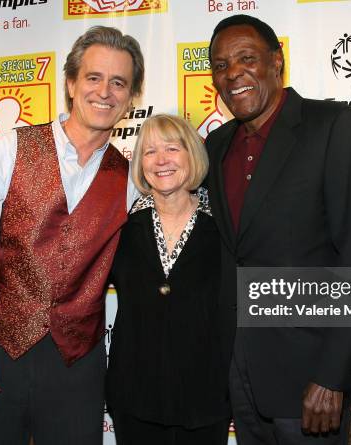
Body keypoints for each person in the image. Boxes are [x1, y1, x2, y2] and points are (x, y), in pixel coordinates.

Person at [0, 26, 144, 445]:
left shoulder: (131, 179)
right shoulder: (9, 148)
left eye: (118, 82)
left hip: (78, 366)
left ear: (130, 98)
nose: (104, 92)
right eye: (93, 77)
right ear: (70, 83)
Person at [205, 15, 351, 445]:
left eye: (246, 58)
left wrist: (331, 376)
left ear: (277, 62)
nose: (233, 74)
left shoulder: (333, 126)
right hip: (239, 377)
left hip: (310, 380)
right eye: (221, 65)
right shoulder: (214, 146)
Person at [106, 114, 230, 445]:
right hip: (134, 397)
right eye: (149, 151)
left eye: (172, 148)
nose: (161, 160)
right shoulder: (121, 227)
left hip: (207, 398)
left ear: (192, 154)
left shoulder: (225, 228)